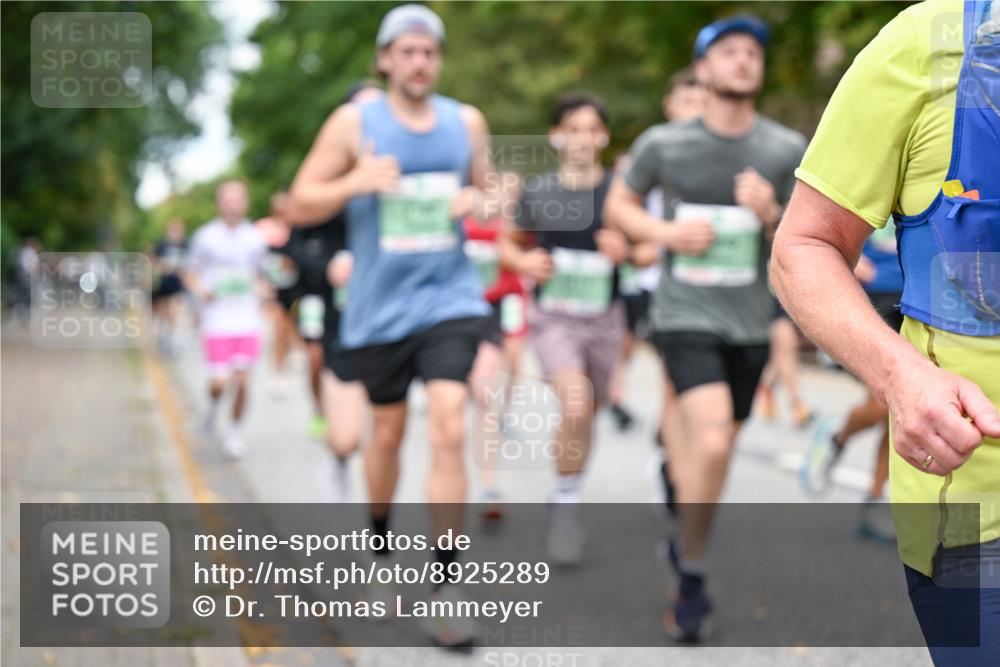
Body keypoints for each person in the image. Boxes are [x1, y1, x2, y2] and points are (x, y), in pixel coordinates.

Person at [771, 1, 999, 663]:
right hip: (979, 509)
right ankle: (846, 439)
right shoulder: (925, 42)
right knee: (886, 401)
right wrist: (902, 377)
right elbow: (803, 246)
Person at [287, 4, 500, 647]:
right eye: (407, 51)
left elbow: (493, 195)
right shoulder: (355, 123)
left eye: (429, 51)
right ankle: (379, 548)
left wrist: (480, 199)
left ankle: (446, 586)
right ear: (384, 59)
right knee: (385, 436)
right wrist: (354, 181)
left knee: (449, 422)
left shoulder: (466, 122)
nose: (419, 62)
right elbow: (300, 201)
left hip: (450, 298)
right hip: (380, 309)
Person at [605, 14, 807, 641]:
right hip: (682, 314)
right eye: (729, 51)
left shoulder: (784, 149)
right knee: (714, 441)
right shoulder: (665, 144)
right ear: (704, 68)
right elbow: (619, 205)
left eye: (753, 53)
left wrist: (770, 213)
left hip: (749, 322)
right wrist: (665, 233)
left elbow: (811, 236)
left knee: (713, 451)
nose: (743, 60)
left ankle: (682, 541)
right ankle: (692, 573)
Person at [500, 93, 649, 564]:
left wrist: (627, 253)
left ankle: (567, 488)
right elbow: (507, 244)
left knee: (587, 413)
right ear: (556, 136)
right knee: (577, 402)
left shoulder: (620, 194)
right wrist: (525, 261)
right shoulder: (538, 191)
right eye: (573, 129)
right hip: (554, 318)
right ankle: (566, 506)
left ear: (603, 137)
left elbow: (651, 250)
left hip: (604, 319)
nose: (583, 139)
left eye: (591, 129)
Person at [290, 80, 383, 500]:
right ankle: (337, 455)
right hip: (337, 313)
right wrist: (328, 265)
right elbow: (295, 242)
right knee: (346, 439)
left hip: (392, 317)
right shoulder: (322, 184)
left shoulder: (403, 176)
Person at [801, 218, 904, 544]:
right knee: (886, 402)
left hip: (919, 297)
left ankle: (875, 501)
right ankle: (837, 438)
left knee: (900, 411)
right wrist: (843, 262)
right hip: (870, 298)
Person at [185, 179, 268, 459]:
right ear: (219, 203)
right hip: (217, 320)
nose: (233, 205)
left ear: (246, 203)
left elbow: (260, 275)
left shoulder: (255, 238)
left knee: (243, 381)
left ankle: (234, 431)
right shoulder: (205, 236)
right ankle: (213, 410)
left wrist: (264, 290)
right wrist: (201, 291)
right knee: (219, 383)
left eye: (238, 199)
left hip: (247, 319)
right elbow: (190, 274)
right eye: (228, 200)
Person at [463, 173, 527, 520]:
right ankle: (484, 481)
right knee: (479, 390)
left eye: (514, 189)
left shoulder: (517, 219)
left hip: (506, 302)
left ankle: (507, 413)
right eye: (504, 187)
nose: (508, 193)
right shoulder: (465, 212)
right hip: (468, 308)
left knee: (508, 368)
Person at [254, 192, 300, 400]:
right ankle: (278, 371)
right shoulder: (263, 228)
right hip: (276, 288)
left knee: (293, 327)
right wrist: (263, 285)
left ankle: (291, 355)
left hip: (298, 288)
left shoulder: (298, 227)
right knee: (279, 329)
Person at [151, 218, 188, 358]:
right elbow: (153, 260)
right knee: (164, 312)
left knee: (175, 311)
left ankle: (173, 339)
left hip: (178, 283)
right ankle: (163, 335)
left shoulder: (186, 245)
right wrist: (161, 266)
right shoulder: (161, 245)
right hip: (163, 283)